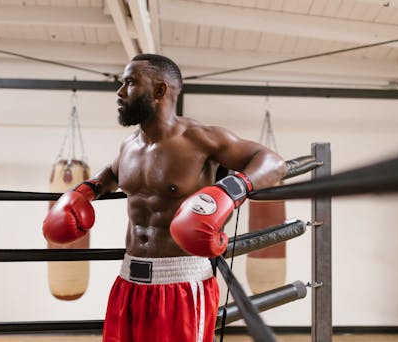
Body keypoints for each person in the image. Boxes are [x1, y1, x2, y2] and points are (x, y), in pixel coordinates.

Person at [42, 54, 287, 342]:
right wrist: (86, 190)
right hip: (129, 280)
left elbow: (272, 162)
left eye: (130, 83)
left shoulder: (200, 138)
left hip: (182, 283)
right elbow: (111, 172)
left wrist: (229, 191)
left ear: (160, 90)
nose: (120, 92)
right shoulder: (129, 146)